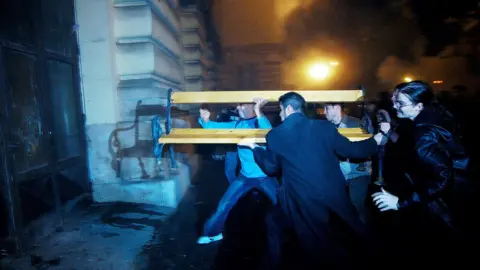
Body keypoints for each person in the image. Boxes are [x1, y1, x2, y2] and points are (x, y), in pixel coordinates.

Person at [238, 92, 384, 268]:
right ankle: (377, 254)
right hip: (333, 191)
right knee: (353, 225)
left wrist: (255, 148)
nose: (280, 114)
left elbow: (270, 168)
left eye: (281, 110)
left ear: (289, 108)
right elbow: (352, 150)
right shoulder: (324, 127)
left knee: (313, 240)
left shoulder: (275, 135)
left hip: (303, 197)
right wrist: (376, 139)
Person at [371, 81, 469, 266]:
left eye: (400, 103)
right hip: (450, 197)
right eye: (394, 100)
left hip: (439, 205)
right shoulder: (433, 117)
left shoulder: (424, 134)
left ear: (418, 106)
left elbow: (442, 177)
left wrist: (400, 203)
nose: (394, 105)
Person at [196, 98, 279, 245]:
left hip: (264, 176)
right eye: (238, 106)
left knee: (283, 203)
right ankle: (213, 233)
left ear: (251, 108)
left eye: (242, 106)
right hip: (245, 176)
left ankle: (298, 235)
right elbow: (213, 127)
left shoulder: (259, 122)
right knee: (224, 205)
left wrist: (259, 111)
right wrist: (205, 120)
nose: (238, 109)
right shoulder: (238, 124)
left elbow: (268, 132)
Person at [324, 103, 372, 224]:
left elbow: (365, 149)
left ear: (337, 108)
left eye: (327, 108)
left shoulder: (354, 124)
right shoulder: (328, 126)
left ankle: (363, 236)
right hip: (339, 172)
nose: (324, 112)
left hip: (357, 171)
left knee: (356, 206)